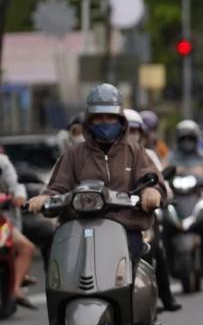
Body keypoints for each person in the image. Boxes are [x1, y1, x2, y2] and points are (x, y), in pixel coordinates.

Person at [28, 85, 164, 282]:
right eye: (99, 117)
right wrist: (45, 198)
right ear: (89, 120)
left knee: (134, 267)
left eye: (110, 117)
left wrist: (151, 191)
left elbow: (150, 179)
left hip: (124, 230)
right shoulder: (74, 155)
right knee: (57, 267)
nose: (105, 122)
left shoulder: (136, 152)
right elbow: (58, 187)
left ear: (120, 120)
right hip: (77, 230)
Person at [125, 109, 181, 312]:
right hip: (109, 217)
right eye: (127, 130)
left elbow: (160, 183)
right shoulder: (96, 156)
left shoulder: (146, 155)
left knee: (154, 247)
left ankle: (163, 296)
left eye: (135, 131)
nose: (130, 135)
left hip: (140, 214)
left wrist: (154, 194)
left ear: (142, 133)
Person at [166, 120, 203, 277]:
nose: (187, 141)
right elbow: (161, 173)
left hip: (199, 198)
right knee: (165, 227)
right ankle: (166, 265)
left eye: (190, 138)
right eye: (183, 138)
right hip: (176, 200)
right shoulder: (171, 158)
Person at [0, 150, 37, 309]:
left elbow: (16, 185)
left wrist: (19, 197)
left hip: (3, 221)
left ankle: (15, 289)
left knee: (26, 248)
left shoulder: (2, 162)